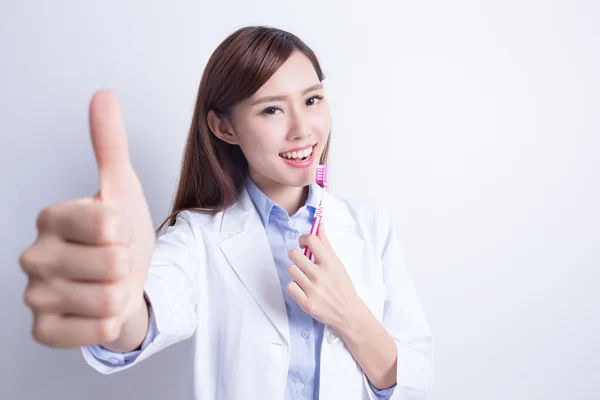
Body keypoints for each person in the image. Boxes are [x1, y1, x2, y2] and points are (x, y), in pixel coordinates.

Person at [19, 25, 433, 400]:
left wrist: (351, 316)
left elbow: (415, 381)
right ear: (224, 128)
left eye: (312, 100)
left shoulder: (371, 228)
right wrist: (117, 303)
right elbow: (144, 319)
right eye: (272, 109)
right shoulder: (197, 236)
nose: (303, 129)